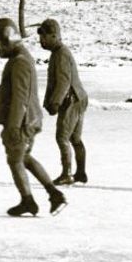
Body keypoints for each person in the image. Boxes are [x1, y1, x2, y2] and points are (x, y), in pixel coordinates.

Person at [0, 18, 66, 217]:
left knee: (15, 160)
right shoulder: (18, 59)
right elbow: (6, 88)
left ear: (7, 40)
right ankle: (53, 194)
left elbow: (20, 97)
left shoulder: (20, 62)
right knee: (23, 158)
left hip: (24, 122)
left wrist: (14, 127)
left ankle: (29, 201)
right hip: (25, 120)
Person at [38, 18, 89, 185]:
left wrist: (55, 102)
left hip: (71, 100)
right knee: (75, 139)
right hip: (79, 98)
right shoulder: (59, 52)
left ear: (54, 36)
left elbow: (64, 82)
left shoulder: (60, 54)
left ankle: (67, 174)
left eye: (44, 37)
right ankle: (80, 173)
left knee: (62, 137)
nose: (42, 41)